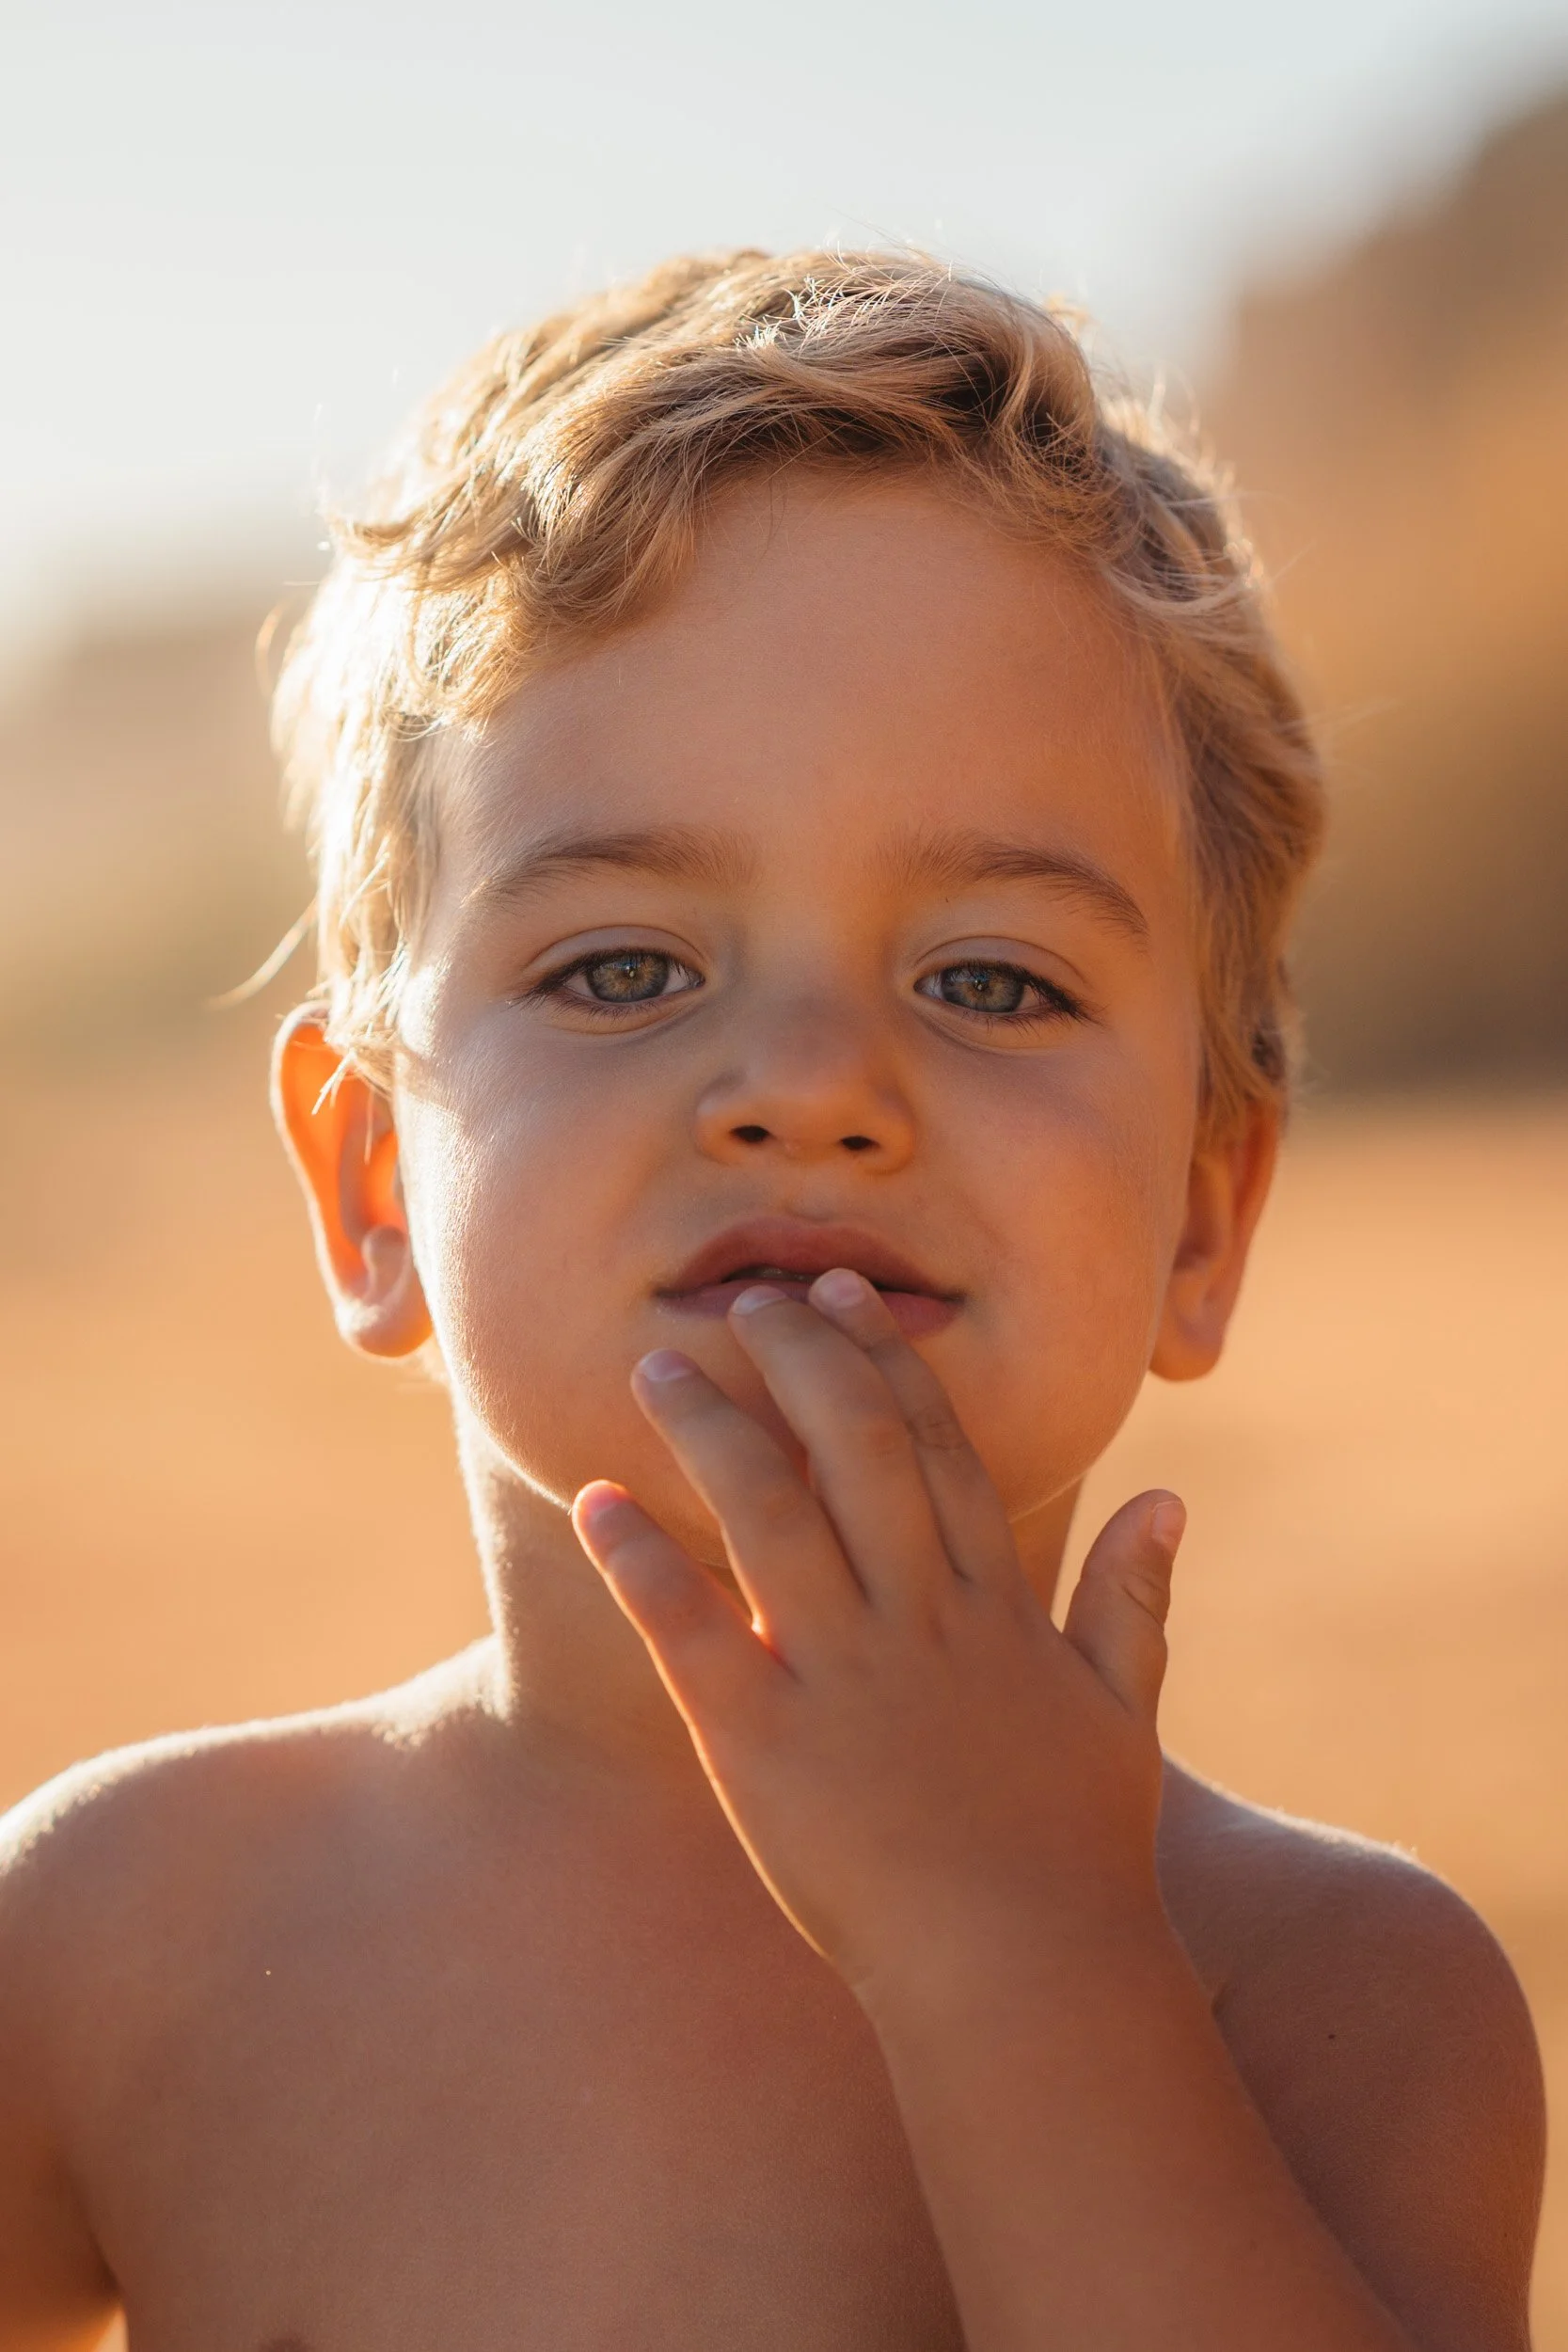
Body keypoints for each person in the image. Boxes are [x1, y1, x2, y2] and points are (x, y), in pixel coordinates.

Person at [0, 250, 1544, 2352]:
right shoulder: (128, 1934)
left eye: (987, 978)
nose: (811, 1083)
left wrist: (1021, 1948)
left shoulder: (1335, 1996)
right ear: (370, 1184)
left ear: (1201, 1211)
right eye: (622, 966)